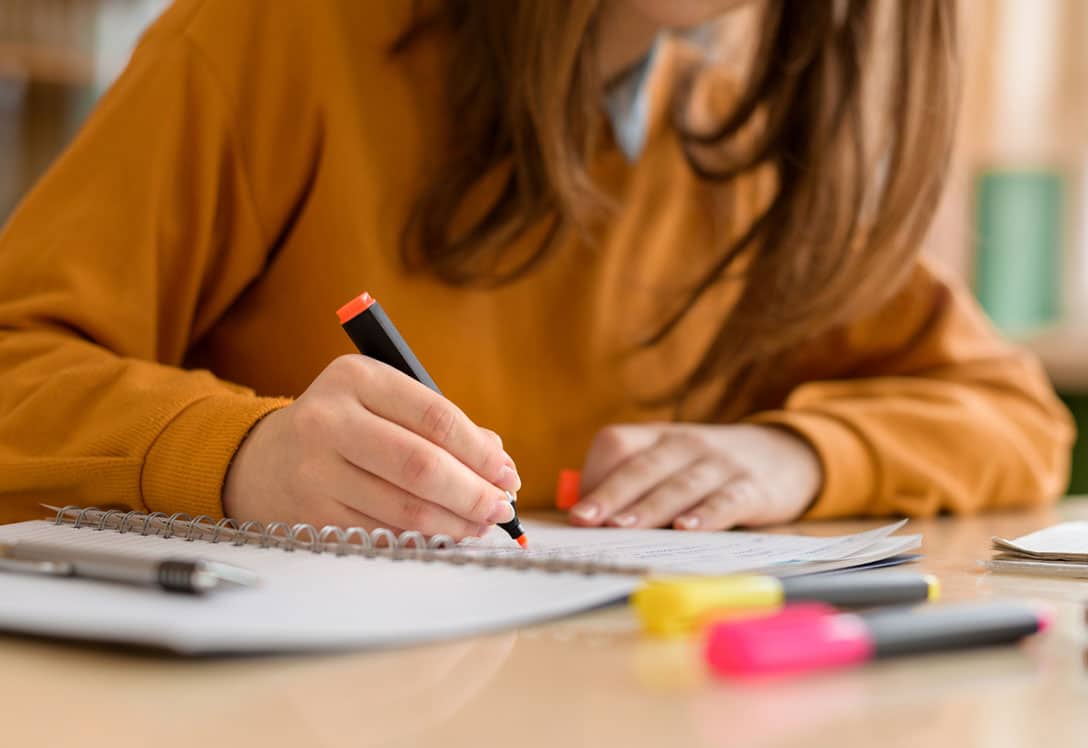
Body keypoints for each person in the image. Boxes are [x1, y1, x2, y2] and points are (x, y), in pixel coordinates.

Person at [0, 0, 1073, 538]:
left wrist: (793, 455)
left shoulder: (742, 162)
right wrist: (242, 456)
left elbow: (1014, 417)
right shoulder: (273, 36)